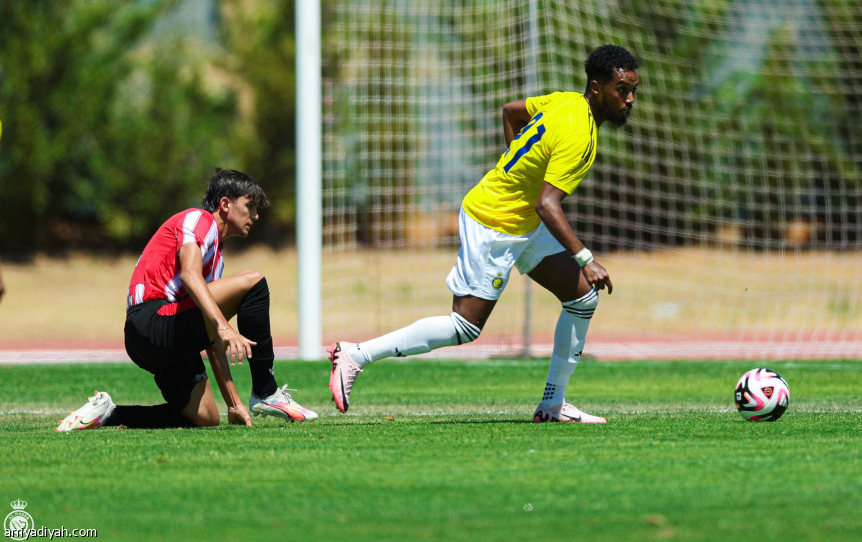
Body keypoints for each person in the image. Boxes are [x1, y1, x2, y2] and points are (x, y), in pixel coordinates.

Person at [328, 44, 639, 423]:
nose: (629, 99)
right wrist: (586, 259)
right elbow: (548, 204)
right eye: (622, 90)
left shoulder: (565, 102)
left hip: (519, 219)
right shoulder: (580, 135)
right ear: (596, 87)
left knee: (582, 299)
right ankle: (355, 354)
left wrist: (515, 167)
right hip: (494, 221)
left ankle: (553, 405)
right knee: (465, 325)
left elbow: (511, 111)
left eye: (633, 90)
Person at [57, 169, 318, 431]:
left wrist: (234, 403)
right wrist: (224, 326)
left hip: (154, 342)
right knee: (254, 282)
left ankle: (110, 414)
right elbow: (190, 275)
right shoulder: (199, 219)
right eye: (249, 206)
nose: (256, 215)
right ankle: (266, 391)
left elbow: (213, 342)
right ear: (225, 204)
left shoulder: (217, 258)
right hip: (151, 320)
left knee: (205, 417)